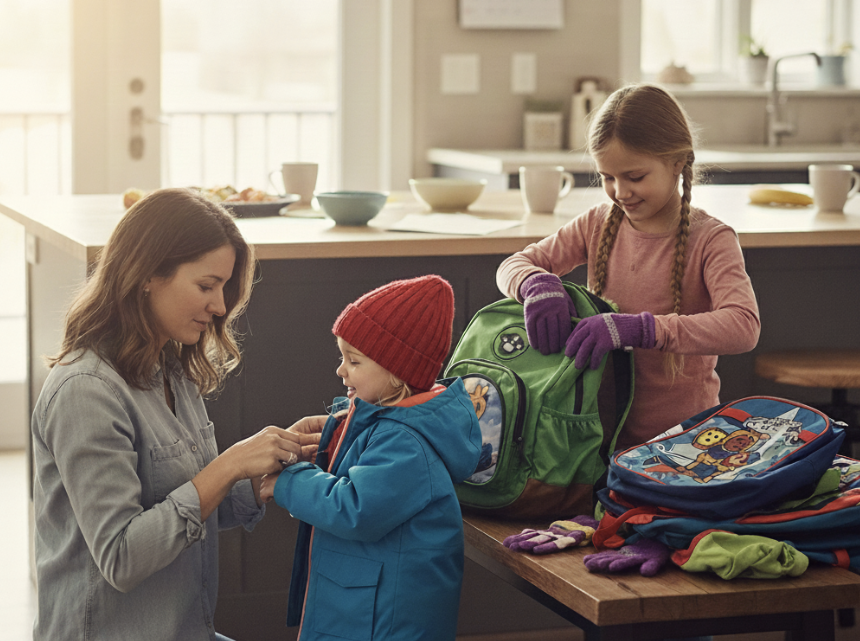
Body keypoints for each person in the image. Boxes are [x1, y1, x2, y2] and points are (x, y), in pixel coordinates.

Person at [31, 187, 325, 641]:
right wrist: (229, 463)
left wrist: (269, 463)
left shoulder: (170, 366)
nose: (221, 306)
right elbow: (122, 558)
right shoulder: (85, 392)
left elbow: (187, 505)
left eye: (223, 287)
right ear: (147, 274)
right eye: (206, 286)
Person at [497, 84, 761, 449]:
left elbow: (743, 325)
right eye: (608, 177)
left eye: (635, 177)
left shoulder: (711, 238)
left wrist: (642, 330)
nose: (620, 192)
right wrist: (535, 284)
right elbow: (516, 264)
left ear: (677, 163)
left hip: (687, 441)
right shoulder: (597, 223)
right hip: (599, 439)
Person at [260, 275, 482, 641]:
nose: (340, 369)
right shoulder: (390, 421)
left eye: (354, 360)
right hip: (361, 609)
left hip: (382, 622)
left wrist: (289, 481)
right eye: (341, 356)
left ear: (397, 373)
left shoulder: (407, 443)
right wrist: (335, 436)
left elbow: (355, 506)